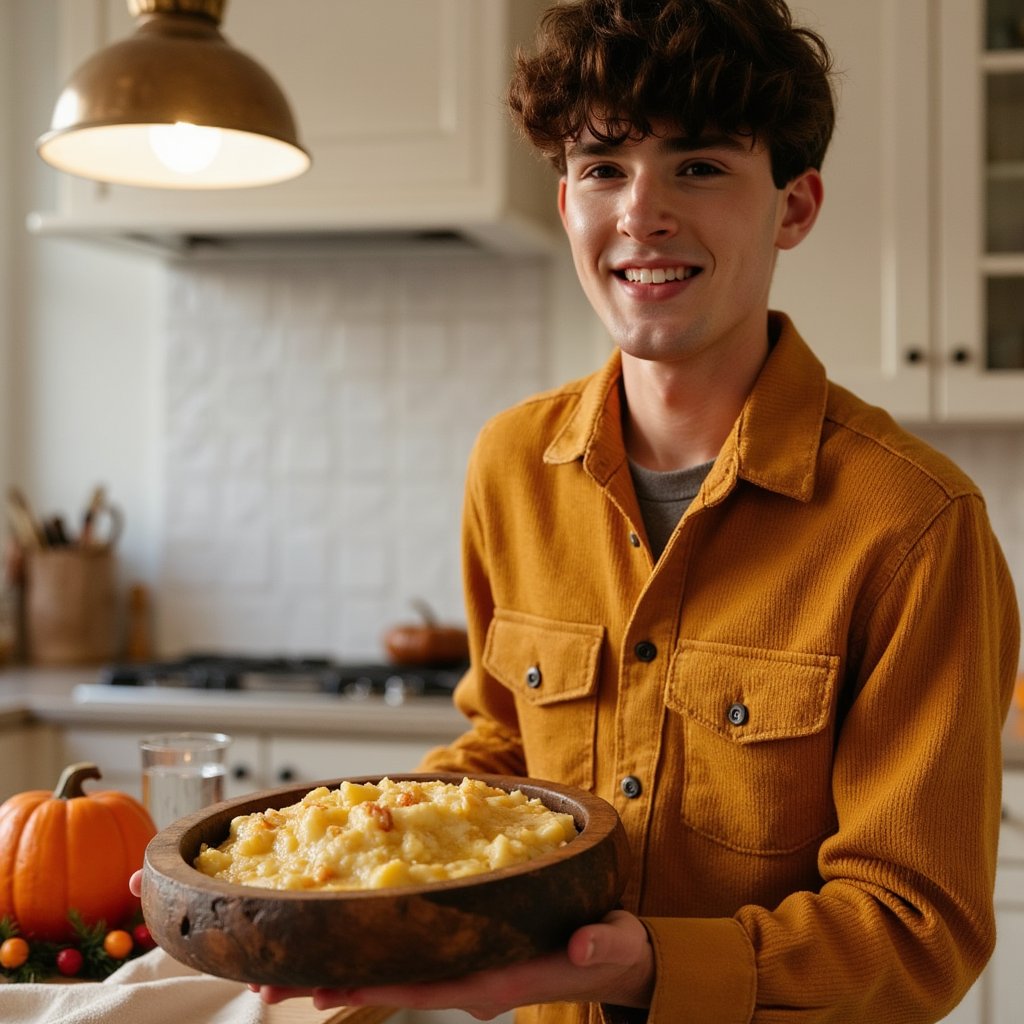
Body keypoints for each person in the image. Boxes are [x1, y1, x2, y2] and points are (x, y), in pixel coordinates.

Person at [251, 1, 1020, 1020]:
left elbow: (919, 926)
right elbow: (502, 756)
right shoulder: (511, 465)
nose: (639, 213)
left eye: (697, 165)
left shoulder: (914, 525)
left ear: (793, 207)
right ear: (566, 199)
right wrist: (349, 886)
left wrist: (642, 964)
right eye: (603, 167)